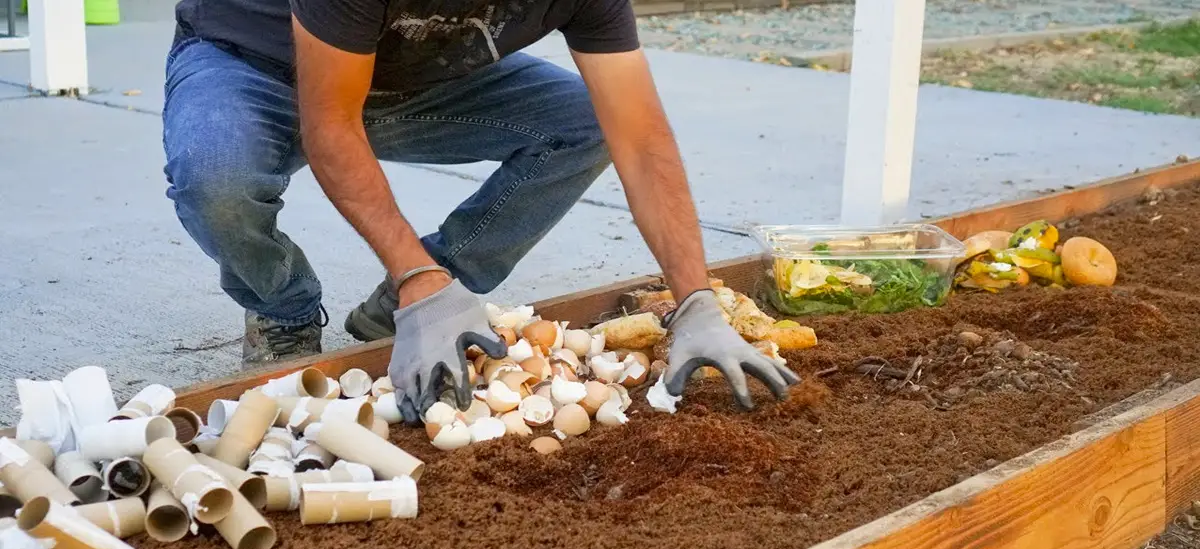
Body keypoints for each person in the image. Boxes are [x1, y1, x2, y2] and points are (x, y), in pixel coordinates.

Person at [163, 0, 800, 424]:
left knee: (586, 124)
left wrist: (696, 300)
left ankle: (418, 290)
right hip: (254, 64)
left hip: (418, 81)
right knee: (214, 177)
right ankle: (285, 309)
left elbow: (639, 136)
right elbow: (332, 126)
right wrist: (421, 282)